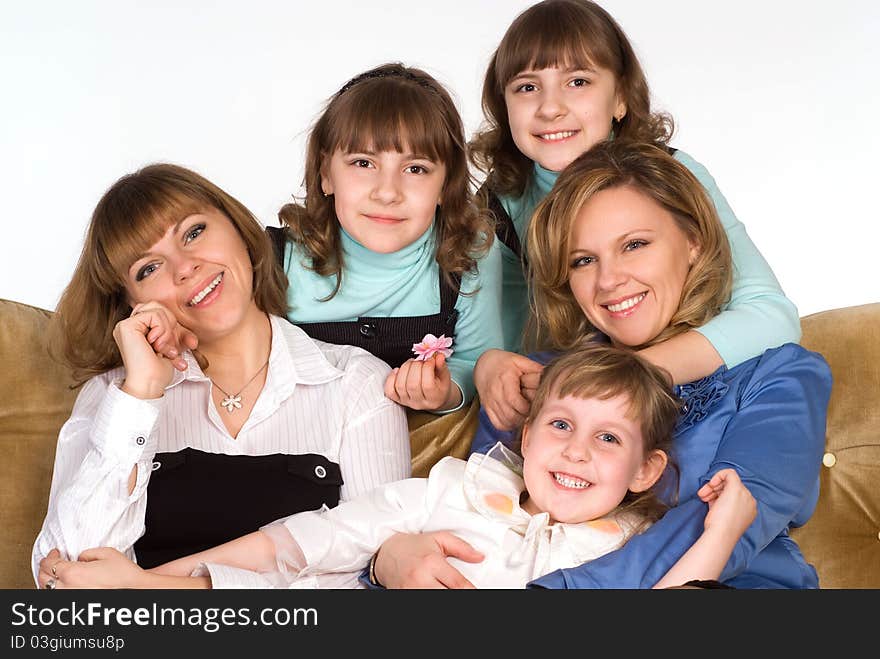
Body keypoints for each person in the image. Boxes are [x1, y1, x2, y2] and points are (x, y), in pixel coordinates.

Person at [370, 140, 831, 589]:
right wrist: (387, 559)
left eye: (634, 245)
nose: (609, 280)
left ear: (693, 242)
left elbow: (735, 514)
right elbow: (478, 528)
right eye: (584, 259)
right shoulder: (539, 379)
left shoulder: (781, 377)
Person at [35, 344, 758, 590]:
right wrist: (148, 582)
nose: (575, 449)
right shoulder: (451, 492)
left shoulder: (640, 541)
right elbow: (300, 541)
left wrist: (721, 533)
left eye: (608, 439)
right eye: (562, 425)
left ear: (644, 468)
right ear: (527, 433)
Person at [32, 163, 411, 589]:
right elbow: (69, 581)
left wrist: (150, 588)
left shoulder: (356, 385)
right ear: (130, 302)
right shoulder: (114, 397)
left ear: (238, 230)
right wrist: (141, 395)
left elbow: (372, 575)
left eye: (194, 232)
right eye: (148, 269)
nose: (185, 267)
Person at [469, 0, 802, 431]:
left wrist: (626, 374)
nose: (550, 108)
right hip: (590, 417)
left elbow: (772, 315)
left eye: (578, 81)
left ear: (621, 97)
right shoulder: (501, 203)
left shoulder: (673, 175)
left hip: (691, 392)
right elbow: (513, 342)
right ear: (504, 104)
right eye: (528, 87)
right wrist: (489, 364)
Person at [267, 62, 503, 414]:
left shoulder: (469, 253)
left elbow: (476, 362)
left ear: (445, 185)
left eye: (416, 169)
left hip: (419, 452)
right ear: (325, 174)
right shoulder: (276, 260)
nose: (388, 192)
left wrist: (446, 392)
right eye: (363, 163)